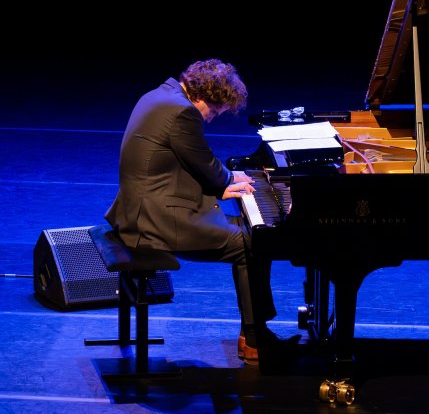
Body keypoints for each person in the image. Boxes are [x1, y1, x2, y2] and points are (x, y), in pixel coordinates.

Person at [104, 58, 296, 365]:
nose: (211, 119)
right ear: (205, 97)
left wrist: (226, 181)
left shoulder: (159, 95)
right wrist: (226, 181)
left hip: (143, 209)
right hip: (155, 221)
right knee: (253, 243)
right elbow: (200, 159)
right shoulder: (182, 112)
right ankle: (255, 340)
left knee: (250, 232)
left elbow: (192, 161)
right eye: (215, 112)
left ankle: (254, 333)